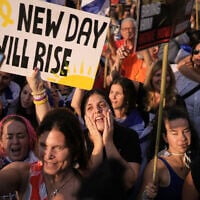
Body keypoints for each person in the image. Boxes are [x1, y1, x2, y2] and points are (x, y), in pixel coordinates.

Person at [0, 108, 89, 200]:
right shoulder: (25, 174)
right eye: (43, 146)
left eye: (57, 147)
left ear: (74, 148)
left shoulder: (88, 189)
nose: (48, 155)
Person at [80, 89, 141, 198]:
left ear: (110, 110)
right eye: (90, 108)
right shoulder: (79, 139)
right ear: (85, 118)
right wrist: (98, 144)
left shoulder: (130, 136)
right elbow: (86, 181)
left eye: (102, 105)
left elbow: (129, 182)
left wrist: (108, 143)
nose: (97, 110)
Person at [137, 106, 199, 200]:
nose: (182, 138)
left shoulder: (196, 158)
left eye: (186, 131)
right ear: (165, 137)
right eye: (174, 133)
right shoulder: (157, 166)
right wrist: (146, 196)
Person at [0, 114, 38, 199]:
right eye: (9, 137)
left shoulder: (40, 162)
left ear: (29, 138)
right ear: (1, 141)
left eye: (20, 136)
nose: (15, 141)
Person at [105, 17, 153, 84]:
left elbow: (151, 67)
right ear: (121, 31)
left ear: (136, 30)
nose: (128, 31)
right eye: (125, 29)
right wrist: (116, 58)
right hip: (121, 80)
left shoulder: (144, 46)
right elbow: (110, 42)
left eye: (130, 29)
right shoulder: (118, 44)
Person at [171, 40, 200, 138]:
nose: (199, 55)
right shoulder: (179, 73)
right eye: (196, 52)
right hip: (179, 130)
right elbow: (181, 65)